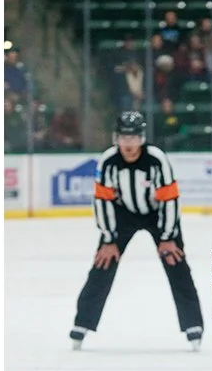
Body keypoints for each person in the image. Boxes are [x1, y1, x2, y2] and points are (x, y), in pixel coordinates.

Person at [70, 112, 204, 351]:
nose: (128, 144)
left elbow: (170, 199)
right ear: (116, 138)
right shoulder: (108, 160)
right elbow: (102, 200)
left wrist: (167, 237)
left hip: (157, 215)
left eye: (133, 138)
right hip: (123, 216)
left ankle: (193, 325)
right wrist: (109, 238)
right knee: (103, 262)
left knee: (176, 263)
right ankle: (82, 323)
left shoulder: (156, 159)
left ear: (142, 138)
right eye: (123, 137)